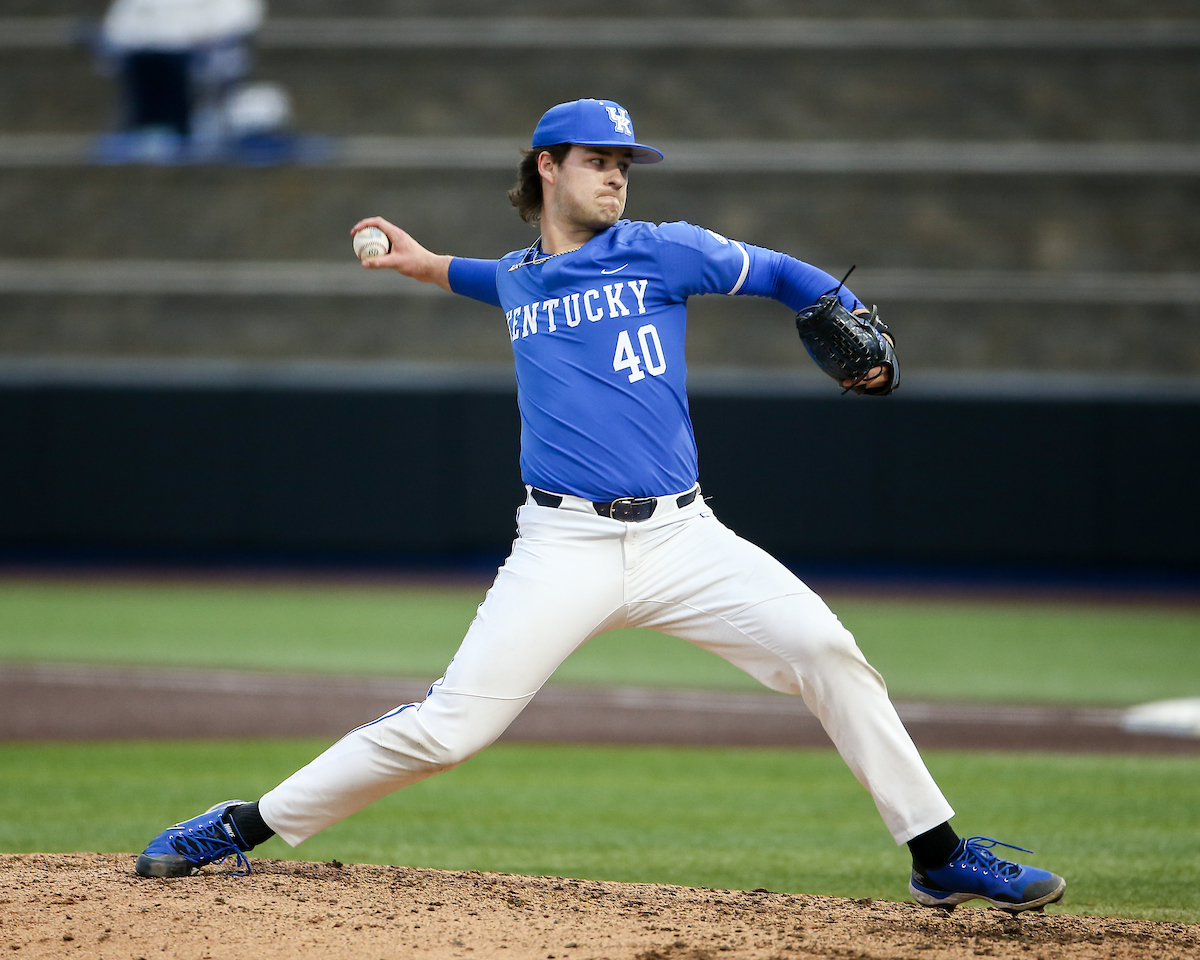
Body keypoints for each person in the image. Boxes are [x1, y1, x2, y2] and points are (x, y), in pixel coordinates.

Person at [134, 98, 1066, 915]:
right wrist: (422, 263)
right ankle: (240, 824)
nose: (617, 176)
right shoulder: (517, 276)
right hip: (563, 546)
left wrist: (841, 314)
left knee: (828, 652)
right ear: (548, 168)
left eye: (625, 163)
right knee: (451, 730)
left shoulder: (663, 249)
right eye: (598, 161)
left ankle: (937, 856)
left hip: (685, 539)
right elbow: (482, 276)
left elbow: (784, 273)